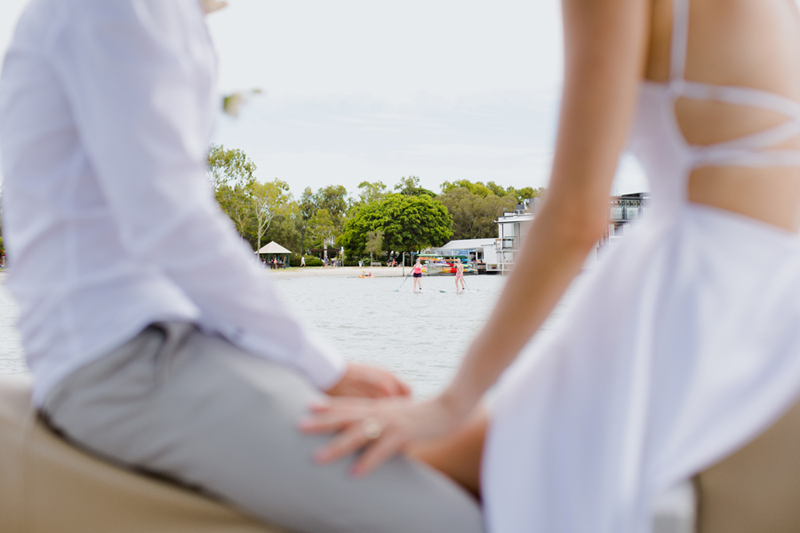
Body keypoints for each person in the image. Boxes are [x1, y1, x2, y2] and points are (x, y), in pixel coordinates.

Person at [302, 0, 800, 532]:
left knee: (408, 469)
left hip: (703, 292)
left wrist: (453, 401)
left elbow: (575, 217)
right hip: (770, 285)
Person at [0, 2, 484, 532]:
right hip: (126, 355)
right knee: (445, 521)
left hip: (169, 343)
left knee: (467, 458)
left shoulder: (173, 20)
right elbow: (170, 220)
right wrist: (327, 370)